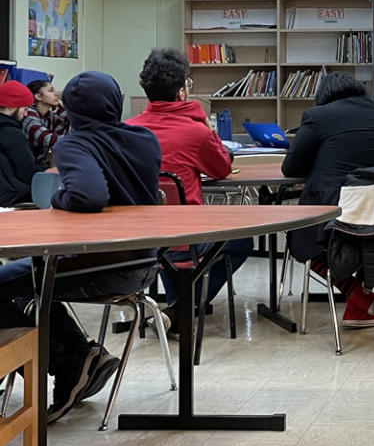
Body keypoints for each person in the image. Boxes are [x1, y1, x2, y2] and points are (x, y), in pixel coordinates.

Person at [0, 71, 162, 423]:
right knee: (29, 285)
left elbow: (89, 195)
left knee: (9, 283)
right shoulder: (144, 139)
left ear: (71, 109)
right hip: (146, 265)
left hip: (96, 266)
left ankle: (69, 361)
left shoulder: (74, 144)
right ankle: (80, 357)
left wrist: (58, 199)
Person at [127, 48, 253, 332]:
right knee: (242, 242)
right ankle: (185, 306)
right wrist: (207, 126)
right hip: (186, 238)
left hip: (139, 240)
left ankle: (176, 306)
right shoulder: (194, 132)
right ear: (182, 92)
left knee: (168, 248)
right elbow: (221, 169)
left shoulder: (127, 131)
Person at [282, 72, 374, 327]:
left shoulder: (318, 116)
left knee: (298, 237)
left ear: (323, 96)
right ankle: (359, 302)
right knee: (349, 239)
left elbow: (291, 169)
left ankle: (356, 293)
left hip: (333, 211)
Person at [0, 80, 40, 206]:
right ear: (11, 106)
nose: (26, 113)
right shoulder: (12, 134)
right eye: (24, 108)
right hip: (11, 198)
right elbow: (28, 174)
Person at [21, 79, 69, 169]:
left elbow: (62, 131)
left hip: (39, 165)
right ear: (38, 96)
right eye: (51, 91)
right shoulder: (28, 113)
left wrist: (64, 109)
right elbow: (45, 138)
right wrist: (76, 140)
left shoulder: (50, 116)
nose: (56, 94)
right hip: (25, 167)